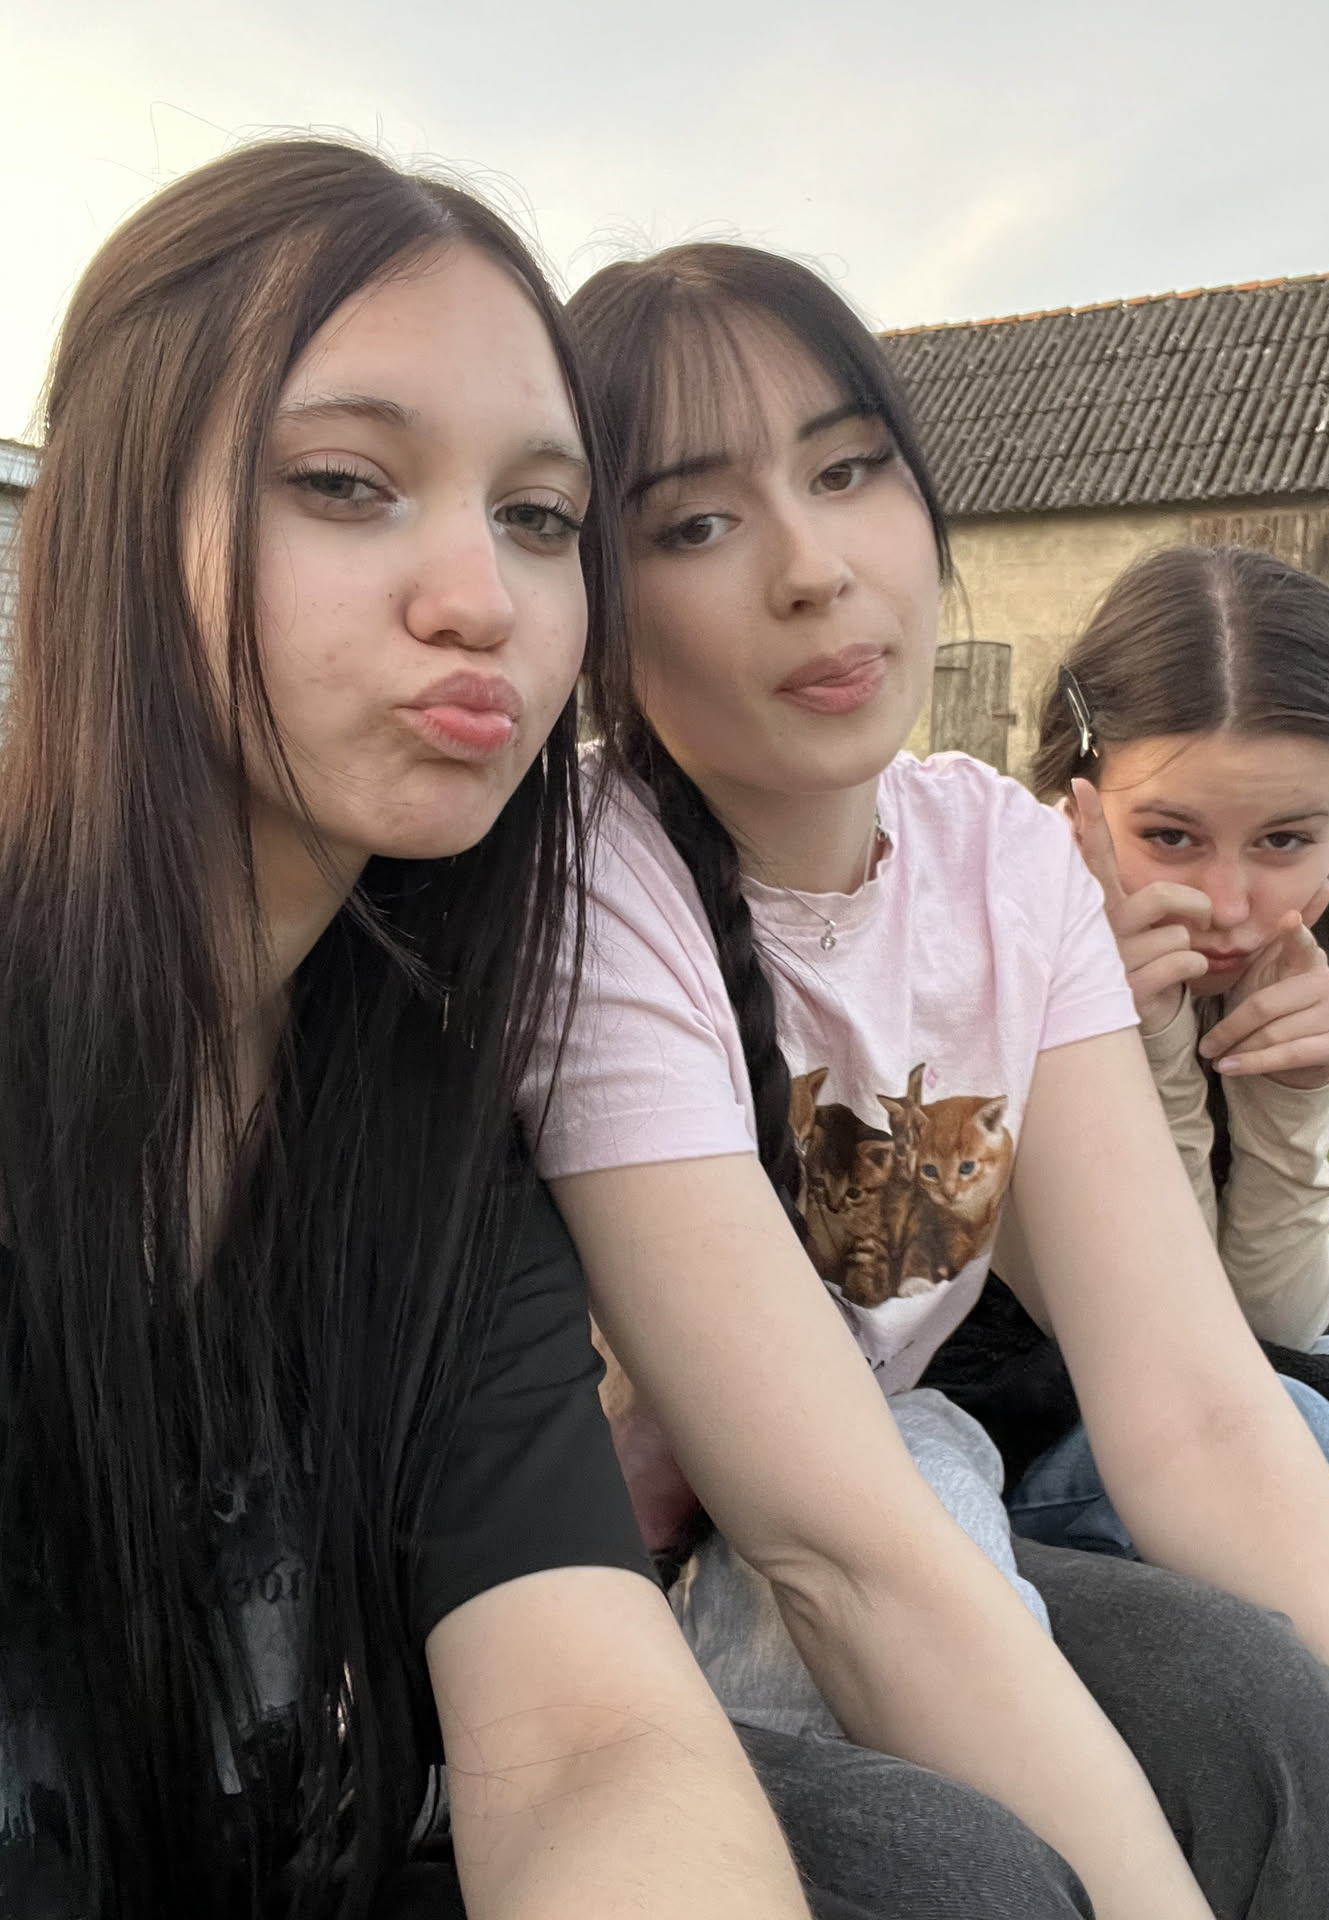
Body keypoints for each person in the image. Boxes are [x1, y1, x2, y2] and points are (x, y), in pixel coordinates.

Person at [518, 241, 1329, 1919]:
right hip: (616, 1589)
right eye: (697, 523)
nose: (816, 569)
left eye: (848, 470)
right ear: (594, 601)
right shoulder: (595, 893)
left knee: (1263, 1706)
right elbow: (838, 1555)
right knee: (985, 1828)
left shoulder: (1003, 863)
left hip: (890, 1492)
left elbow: (1199, 1403)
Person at [0, 143, 821, 1920]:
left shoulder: (425, 1127)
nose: (485, 599)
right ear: (109, 521)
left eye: (540, 517)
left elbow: (592, 1737)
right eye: (345, 483)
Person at [992, 546, 1329, 1564]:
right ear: (1074, 803)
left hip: (1187, 1385)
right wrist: (1147, 1046)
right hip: (1007, 1406)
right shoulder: (1002, 969)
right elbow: (1166, 1341)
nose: (1229, 905)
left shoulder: (1282, 969)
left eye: (1285, 840)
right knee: (1305, 1438)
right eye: (1170, 835)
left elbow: (1278, 1324)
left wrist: (1292, 1106)